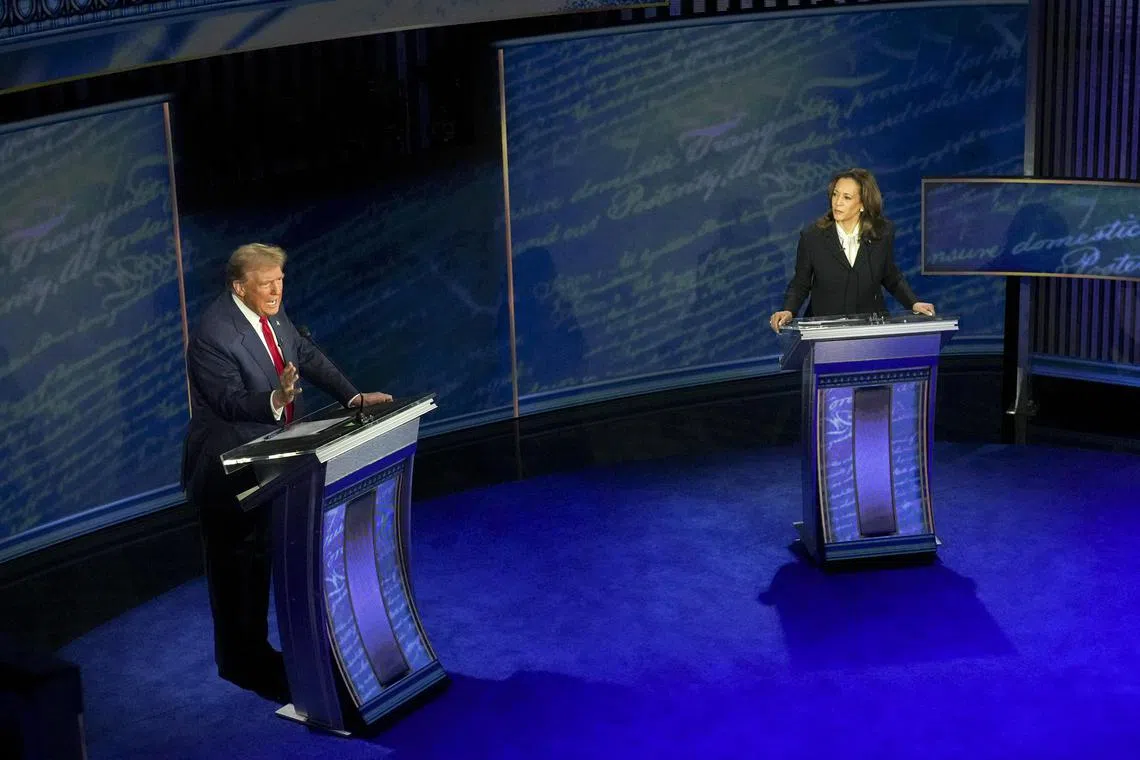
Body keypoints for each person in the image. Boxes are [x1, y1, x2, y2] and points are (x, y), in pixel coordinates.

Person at [181, 243, 392, 703]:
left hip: (272, 456)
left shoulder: (271, 309)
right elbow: (229, 402)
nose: (277, 290)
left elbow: (305, 353)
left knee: (263, 555)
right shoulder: (213, 335)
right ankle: (241, 661)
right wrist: (277, 400)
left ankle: (259, 655)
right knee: (237, 567)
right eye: (266, 283)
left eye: (280, 280)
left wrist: (351, 397)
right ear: (240, 287)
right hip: (226, 467)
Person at [769, 168, 935, 332]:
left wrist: (913, 303)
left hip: (871, 327)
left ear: (863, 204)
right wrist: (788, 310)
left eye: (846, 197)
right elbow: (800, 283)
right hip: (825, 330)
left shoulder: (882, 233)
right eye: (835, 194)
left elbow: (890, 275)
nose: (837, 202)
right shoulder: (812, 237)